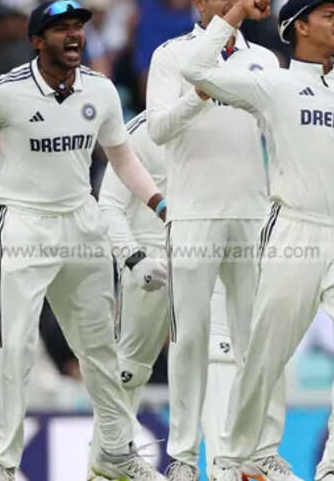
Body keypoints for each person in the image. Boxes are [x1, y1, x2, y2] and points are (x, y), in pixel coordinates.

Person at [180, 0, 334, 481]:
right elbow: (197, 70)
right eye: (328, 16)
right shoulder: (274, 84)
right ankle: (240, 454)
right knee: (267, 352)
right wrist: (235, 14)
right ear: (299, 28)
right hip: (294, 226)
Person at [0, 0, 165, 481]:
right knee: (14, 346)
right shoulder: (4, 93)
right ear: (38, 41)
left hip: (81, 219)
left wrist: (159, 205)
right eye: (62, 29)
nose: (75, 36)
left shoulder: (100, 90)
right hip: (23, 220)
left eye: (79, 27)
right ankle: (2, 464)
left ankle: (115, 453)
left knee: (100, 349)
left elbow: (122, 159)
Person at [142, 0, 297, 480]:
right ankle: (185, 458)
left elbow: (282, 132)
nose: (234, 0)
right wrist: (200, 95)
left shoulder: (266, 60)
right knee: (189, 339)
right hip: (193, 211)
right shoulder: (173, 56)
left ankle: (251, 454)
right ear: (198, 3)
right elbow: (159, 130)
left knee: (258, 337)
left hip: (252, 211)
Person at [95, 112, 259, 480]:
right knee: (130, 369)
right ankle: (106, 465)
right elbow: (108, 205)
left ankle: (221, 467)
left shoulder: (224, 122)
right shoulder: (139, 132)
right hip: (151, 258)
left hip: (205, 251)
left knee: (218, 354)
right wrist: (134, 260)